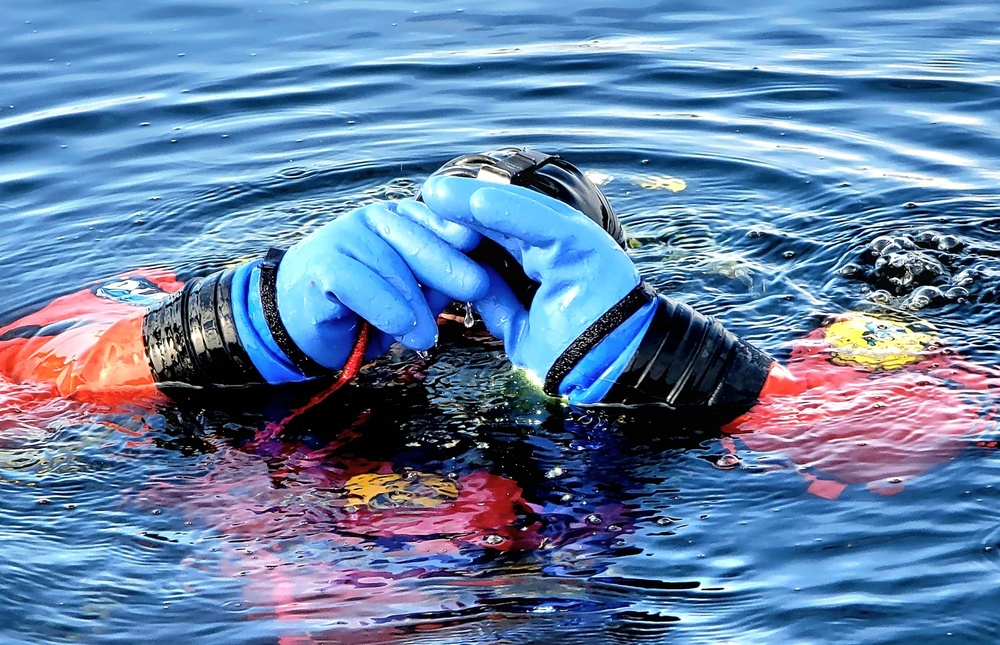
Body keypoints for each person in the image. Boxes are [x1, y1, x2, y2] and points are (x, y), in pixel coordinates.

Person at [1, 147, 994, 500]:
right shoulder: (245, 294)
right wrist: (237, 324)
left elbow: (933, 432)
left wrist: (686, 373)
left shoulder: (696, 333)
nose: (479, 313)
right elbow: (24, 393)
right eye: (459, 287)